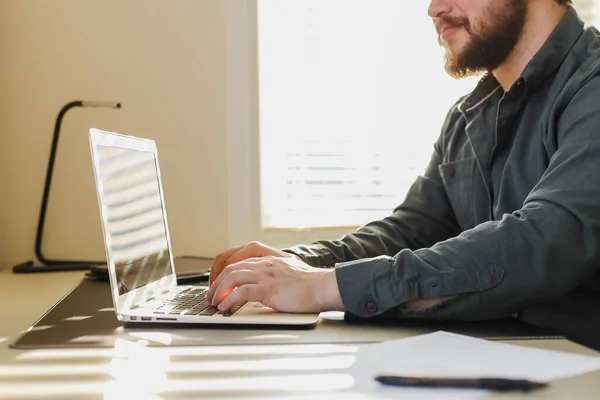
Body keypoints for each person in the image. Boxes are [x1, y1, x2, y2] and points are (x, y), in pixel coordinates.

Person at [206, 0, 600, 344]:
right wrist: (297, 265)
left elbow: (546, 237)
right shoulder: (466, 119)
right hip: (497, 359)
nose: (434, 8)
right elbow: (412, 229)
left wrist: (326, 287)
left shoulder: (591, 88)